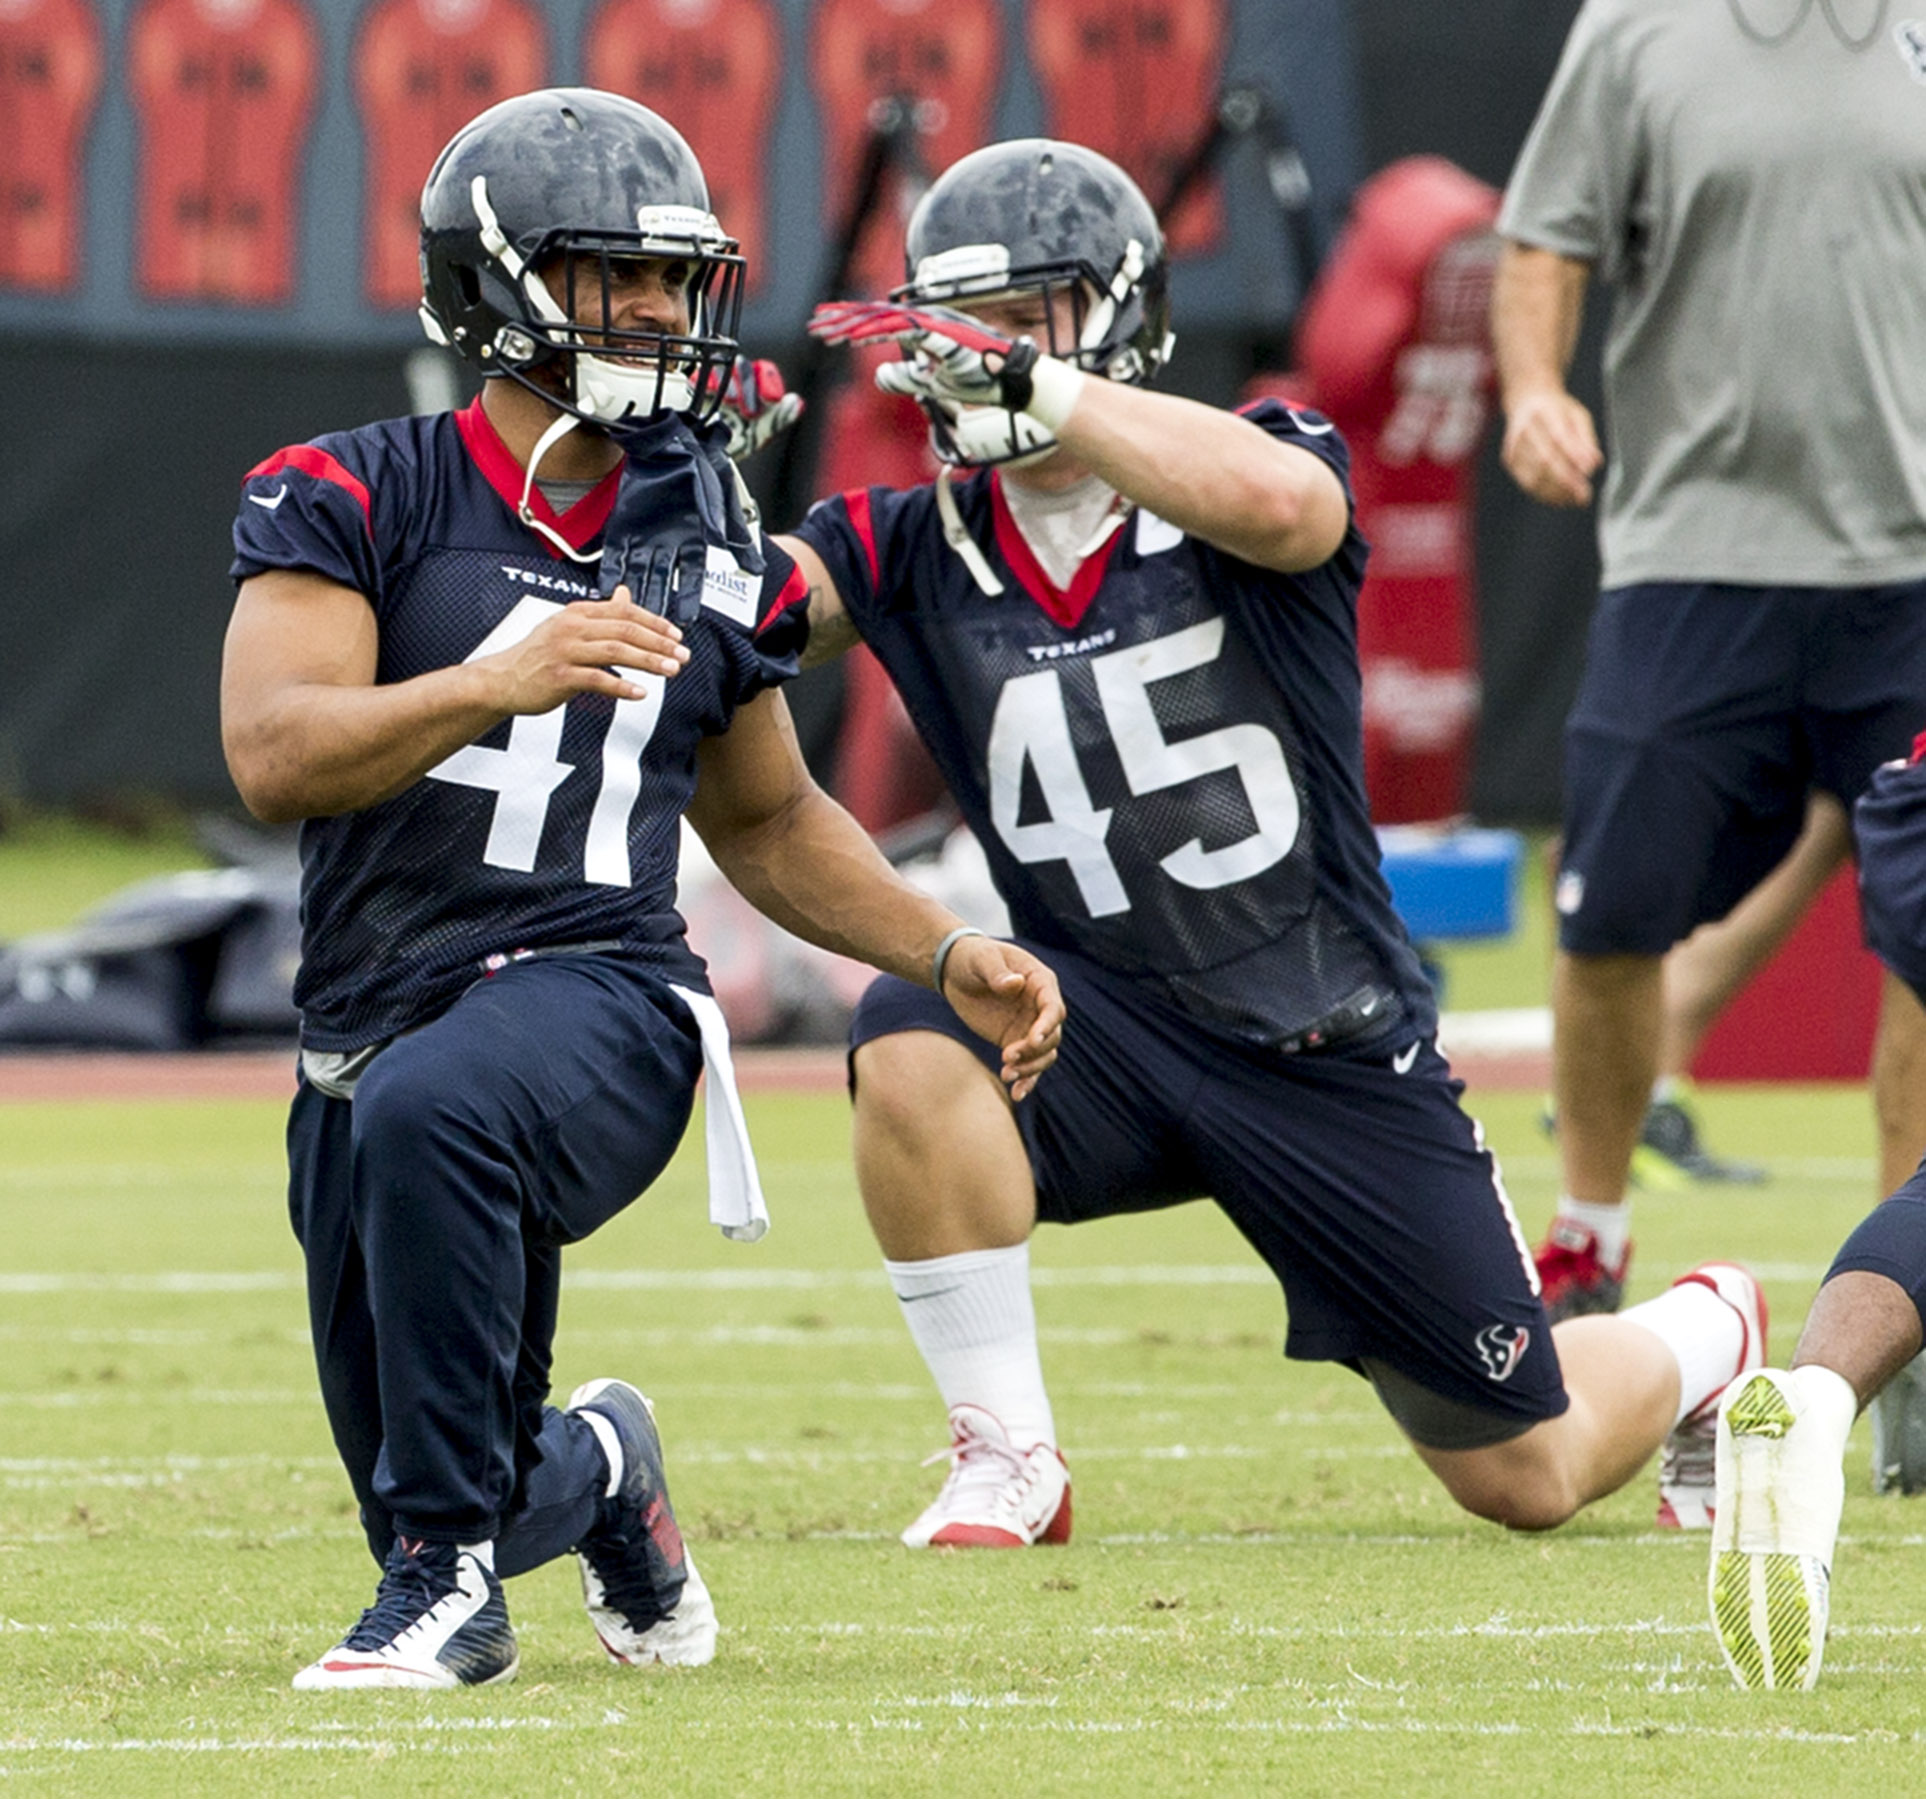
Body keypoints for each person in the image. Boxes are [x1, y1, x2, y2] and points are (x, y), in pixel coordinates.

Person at [770, 138, 1767, 1552]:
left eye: (1020, 318)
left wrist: (1051, 393)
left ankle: (1703, 1330)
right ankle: (1005, 1456)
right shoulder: (899, 540)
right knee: (913, 1018)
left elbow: (1286, 511)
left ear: (1114, 315)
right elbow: (747, 623)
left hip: (1318, 1037)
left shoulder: (1257, 458)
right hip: (1093, 1021)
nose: (978, 352)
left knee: (1522, 1474)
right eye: (956, 320)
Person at [218, 88, 1062, 1691]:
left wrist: (949, 949)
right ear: (501, 285)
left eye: (677, 282)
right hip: (371, 1020)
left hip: (602, 996)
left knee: (437, 1131)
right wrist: (497, 679)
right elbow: (275, 752)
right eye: (621, 279)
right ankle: (604, 1472)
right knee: (443, 1462)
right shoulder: (353, 490)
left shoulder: (704, 523)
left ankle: (448, 1601)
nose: (664, 318)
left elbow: (767, 821)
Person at [1491, 0, 1926, 1324]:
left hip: (1908, 567)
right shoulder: (1635, 27)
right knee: (1611, 909)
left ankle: (1906, 1299)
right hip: (1691, 556)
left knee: (1924, 940)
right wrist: (1532, 391)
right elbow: (1542, 241)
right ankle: (1587, 1232)